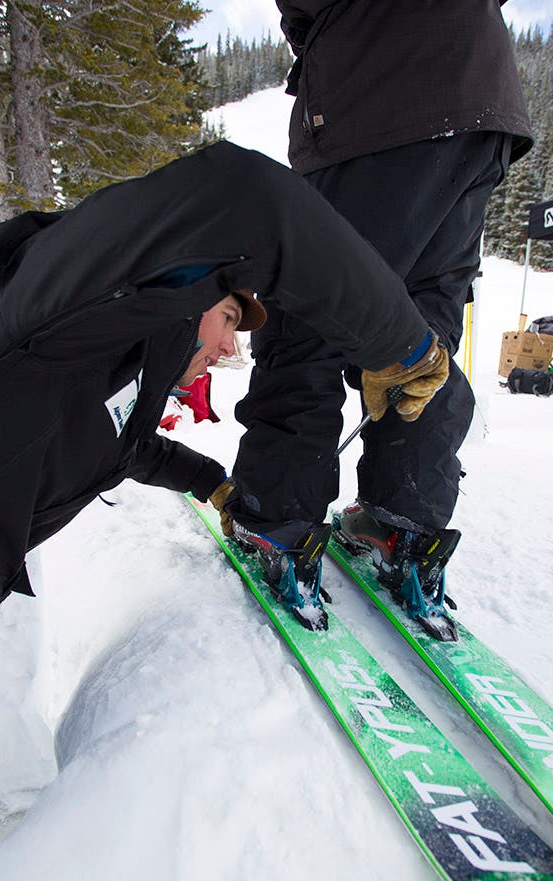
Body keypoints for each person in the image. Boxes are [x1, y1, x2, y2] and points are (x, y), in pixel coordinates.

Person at [0, 140, 445, 629]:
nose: (230, 348)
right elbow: (249, 198)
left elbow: (119, 447)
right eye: (229, 318)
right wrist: (401, 344)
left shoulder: (114, 367)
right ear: (187, 296)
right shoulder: (41, 318)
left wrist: (211, 483)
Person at [226, 0, 534, 636]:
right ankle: (402, 523)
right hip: (484, 105)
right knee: (419, 343)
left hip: (377, 101)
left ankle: (277, 517)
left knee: (309, 313)